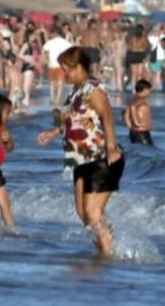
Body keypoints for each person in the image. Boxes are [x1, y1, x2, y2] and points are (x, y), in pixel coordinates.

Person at [35, 47, 124, 257]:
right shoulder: (76, 90)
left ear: (80, 67)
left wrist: (111, 147)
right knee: (83, 214)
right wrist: (55, 132)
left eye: (67, 70)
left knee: (93, 214)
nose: (64, 74)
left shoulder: (93, 90)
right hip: (81, 159)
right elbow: (74, 118)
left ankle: (109, 255)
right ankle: (103, 249)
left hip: (101, 157)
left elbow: (107, 117)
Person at [0, 93, 15, 232]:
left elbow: (11, 148)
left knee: (5, 203)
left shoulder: (3, 129)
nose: (8, 116)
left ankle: (13, 231)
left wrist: (8, 141)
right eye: (7, 113)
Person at [123, 78, 154, 146]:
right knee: (148, 151)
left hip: (137, 132)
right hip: (142, 133)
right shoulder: (140, 100)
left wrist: (131, 127)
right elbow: (132, 107)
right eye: (149, 90)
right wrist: (137, 123)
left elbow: (126, 115)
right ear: (145, 90)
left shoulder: (135, 99)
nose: (149, 92)